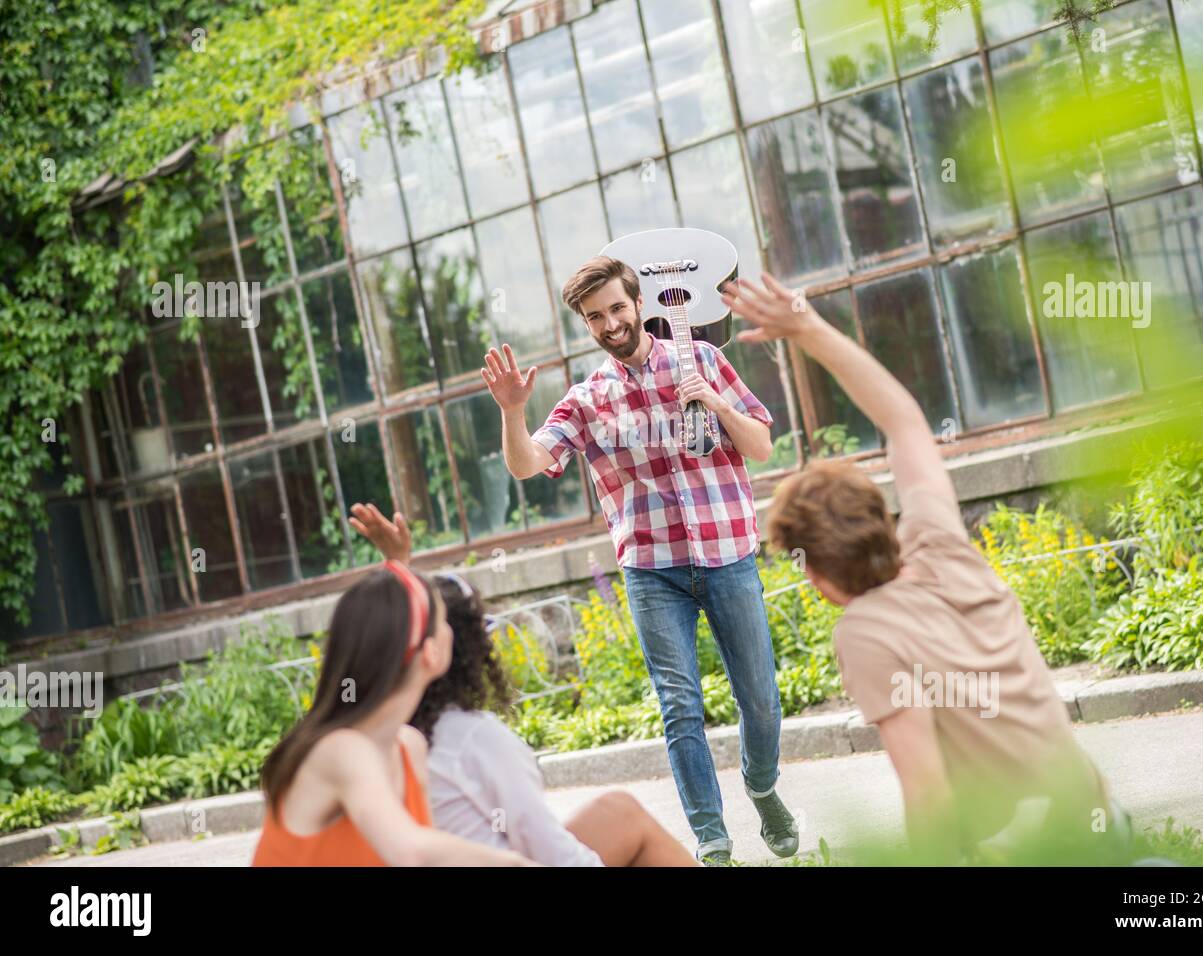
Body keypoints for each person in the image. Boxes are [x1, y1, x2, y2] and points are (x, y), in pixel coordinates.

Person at [729, 273, 1126, 864]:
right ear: (882, 522)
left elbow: (928, 790)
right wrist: (806, 327)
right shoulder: (941, 547)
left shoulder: (866, 632)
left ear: (818, 575)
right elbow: (906, 422)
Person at [477, 256, 796, 865]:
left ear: (638, 303)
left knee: (759, 697)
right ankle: (712, 840)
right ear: (587, 326)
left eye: (618, 308)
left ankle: (761, 786)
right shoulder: (586, 400)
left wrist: (715, 404)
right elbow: (528, 464)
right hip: (652, 569)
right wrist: (512, 411)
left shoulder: (701, 360)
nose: (610, 323)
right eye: (595, 317)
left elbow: (759, 442)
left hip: (728, 554)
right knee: (680, 707)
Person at [349, 504, 699, 867]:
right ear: (463, 651)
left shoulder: (369, 733)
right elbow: (556, 855)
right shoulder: (472, 738)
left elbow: (403, 630)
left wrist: (398, 563)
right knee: (628, 823)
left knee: (618, 811)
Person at [252, 555, 532, 867]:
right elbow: (411, 852)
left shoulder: (409, 747)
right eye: (443, 622)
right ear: (431, 652)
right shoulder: (342, 750)